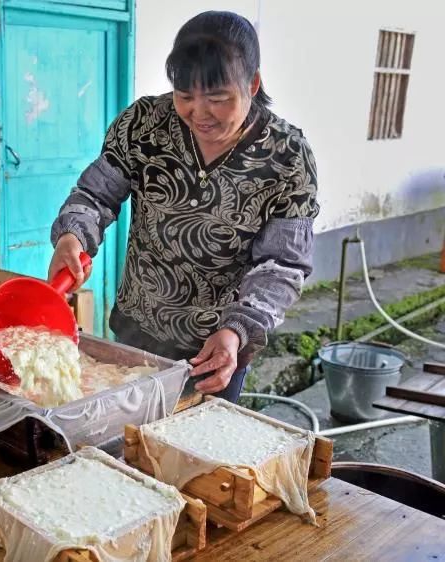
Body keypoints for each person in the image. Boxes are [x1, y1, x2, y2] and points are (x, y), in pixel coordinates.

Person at [48, 11, 319, 403]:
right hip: (136, 335)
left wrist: (237, 331)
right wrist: (72, 235)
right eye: (185, 96)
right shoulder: (145, 123)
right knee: (125, 448)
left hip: (217, 350)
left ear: (253, 83)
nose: (199, 113)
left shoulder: (287, 156)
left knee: (197, 456)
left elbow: (283, 265)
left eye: (218, 98)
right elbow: (96, 195)